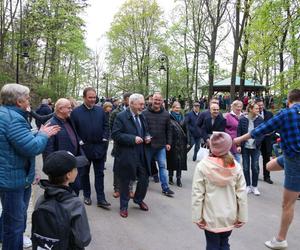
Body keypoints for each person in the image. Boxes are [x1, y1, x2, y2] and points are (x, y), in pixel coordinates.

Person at [234, 89, 300, 249]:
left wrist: (239, 139)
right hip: (290, 156)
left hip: (295, 159)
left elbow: (261, 130)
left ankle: (280, 240)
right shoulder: (289, 114)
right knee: (269, 165)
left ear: (288, 101)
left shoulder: (286, 113)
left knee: (287, 203)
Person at [0, 83, 60, 250]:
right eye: (27, 98)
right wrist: (43, 134)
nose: (29, 100)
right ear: (19, 101)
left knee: (9, 216)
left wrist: (35, 133)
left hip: (10, 175)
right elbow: (32, 148)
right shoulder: (13, 119)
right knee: (16, 225)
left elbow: (16, 140)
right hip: (13, 180)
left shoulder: (6, 114)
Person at [192, 132, 248, 250]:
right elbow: (241, 193)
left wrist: (197, 217)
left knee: (212, 244)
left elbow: (197, 194)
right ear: (228, 147)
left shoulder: (203, 166)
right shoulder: (236, 166)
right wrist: (242, 216)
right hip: (229, 216)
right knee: (224, 243)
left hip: (210, 216)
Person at [32, 150, 91, 249]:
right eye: (75, 168)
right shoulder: (75, 204)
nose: (77, 170)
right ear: (68, 175)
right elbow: (84, 239)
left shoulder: (41, 199)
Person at [111, 93, 152, 218]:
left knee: (144, 179)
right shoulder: (121, 117)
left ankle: (138, 199)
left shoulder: (142, 116)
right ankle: (123, 206)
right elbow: (116, 135)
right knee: (125, 181)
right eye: (140, 104)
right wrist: (133, 138)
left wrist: (147, 136)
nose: (143, 107)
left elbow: (146, 130)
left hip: (141, 154)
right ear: (132, 104)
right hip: (127, 155)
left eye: (143, 104)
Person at [71, 87, 110, 208]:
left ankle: (101, 198)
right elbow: (73, 130)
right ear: (84, 97)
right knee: (84, 173)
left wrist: (105, 138)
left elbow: (106, 125)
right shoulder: (76, 112)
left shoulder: (100, 111)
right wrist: (79, 141)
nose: (93, 100)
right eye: (90, 97)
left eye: (94, 97)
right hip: (84, 149)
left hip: (99, 147)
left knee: (100, 174)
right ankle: (87, 195)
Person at [43, 98, 85, 195]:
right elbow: (48, 150)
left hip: (73, 163)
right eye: (69, 108)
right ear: (61, 109)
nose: (71, 110)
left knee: (76, 189)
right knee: (63, 196)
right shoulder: (51, 125)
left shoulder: (69, 120)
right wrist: (52, 169)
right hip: (61, 169)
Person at [143, 92, 174, 197]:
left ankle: (165, 188)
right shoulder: (144, 113)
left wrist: (169, 143)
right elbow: (142, 128)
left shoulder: (166, 114)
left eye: (159, 100)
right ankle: (143, 185)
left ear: (162, 101)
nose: (157, 102)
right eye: (155, 100)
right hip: (148, 145)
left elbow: (169, 130)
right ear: (152, 100)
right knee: (145, 166)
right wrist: (145, 136)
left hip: (161, 145)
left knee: (162, 166)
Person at [109, 93, 134, 199]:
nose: (130, 102)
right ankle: (117, 188)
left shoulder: (136, 112)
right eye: (128, 100)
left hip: (132, 143)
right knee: (118, 167)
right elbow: (111, 126)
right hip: (119, 144)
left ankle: (130, 189)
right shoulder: (116, 112)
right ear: (124, 100)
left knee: (132, 167)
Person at [236, 101, 264, 196]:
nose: (258, 110)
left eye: (258, 108)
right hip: (245, 147)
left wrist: (258, 142)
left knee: (255, 167)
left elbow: (262, 133)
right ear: (250, 109)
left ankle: (254, 186)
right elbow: (239, 132)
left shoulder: (260, 119)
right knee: (246, 167)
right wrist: (239, 145)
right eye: (256, 108)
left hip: (255, 147)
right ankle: (247, 185)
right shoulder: (242, 119)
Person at [167, 101, 189, 187]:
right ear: (172, 108)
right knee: (171, 160)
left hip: (182, 143)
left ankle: (179, 179)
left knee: (180, 161)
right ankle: (170, 177)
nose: (178, 109)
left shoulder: (183, 118)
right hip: (172, 142)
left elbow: (187, 130)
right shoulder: (169, 117)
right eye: (176, 107)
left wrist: (188, 141)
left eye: (179, 107)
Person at [256, 98, 274, 184]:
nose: (260, 107)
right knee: (255, 158)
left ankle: (267, 177)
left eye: (262, 105)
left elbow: (274, 126)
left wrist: (271, 134)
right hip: (256, 140)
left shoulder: (269, 114)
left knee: (266, 158)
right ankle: (256, 174)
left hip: (267, 140)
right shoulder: (253, 114)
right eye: (259, 106)